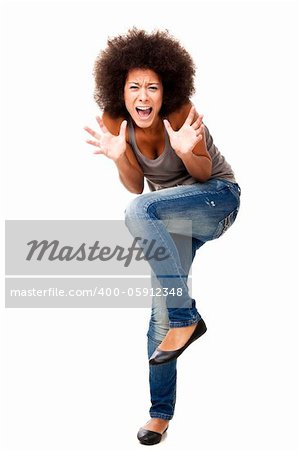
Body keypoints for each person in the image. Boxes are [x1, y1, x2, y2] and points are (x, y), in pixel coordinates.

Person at [85, 28, 241, 446]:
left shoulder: (181, 114)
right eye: (134, 86)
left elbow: (206, 175)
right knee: (160, 318)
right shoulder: (116, 121)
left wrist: (189, 149)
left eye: (152, 87)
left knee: (139, 211)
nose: (143, 95)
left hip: (217, 201)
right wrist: (121, 158)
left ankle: (188, 318)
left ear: (165, 90)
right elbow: (136, 185)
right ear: (120, 89)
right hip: (171, 220)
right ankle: (160, 415)